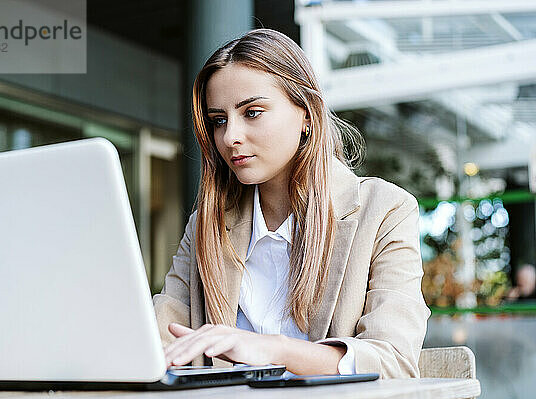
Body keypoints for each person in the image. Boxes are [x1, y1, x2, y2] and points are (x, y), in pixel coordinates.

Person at [153, 28, 430, 379]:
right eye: (218, 121)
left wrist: (274, 350)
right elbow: (158, 336)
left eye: (252, 112)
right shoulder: (207, 224)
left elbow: (394, 363)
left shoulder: (384, 211)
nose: (230, 137)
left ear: (307, 116)